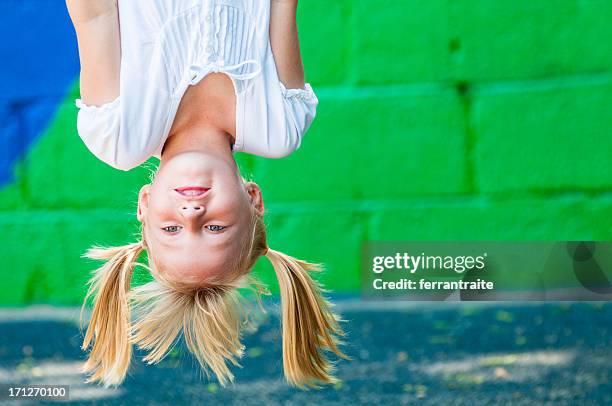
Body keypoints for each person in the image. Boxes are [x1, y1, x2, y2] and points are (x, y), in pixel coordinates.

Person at [66, 0, 347, 388]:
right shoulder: (279, 125)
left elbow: (94, 15)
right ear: (254, 200)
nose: (192, 211)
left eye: (171, 230)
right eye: (215, 228)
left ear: (145, 204)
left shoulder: (118, 135)